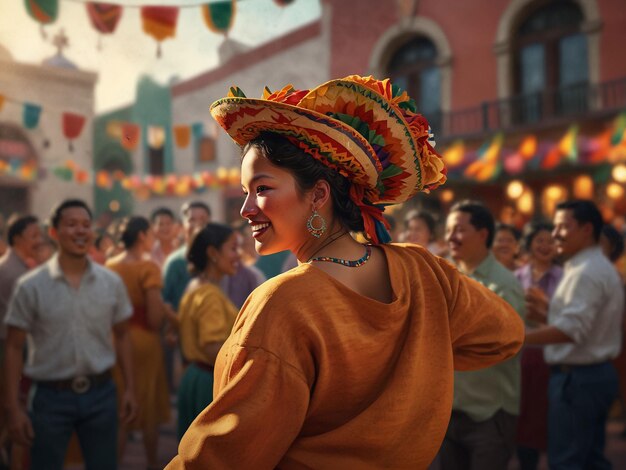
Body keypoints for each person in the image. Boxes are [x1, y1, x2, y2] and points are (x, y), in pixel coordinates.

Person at [166, 75, 524, 468]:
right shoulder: (423, 270)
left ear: (319, 194)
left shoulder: (283, 304)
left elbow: (219, 459)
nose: (245, 209)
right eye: (246, 192)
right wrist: (421, 361)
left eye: (263, 189)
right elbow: (505, 333)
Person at [3, 199, 137, 470]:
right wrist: (12, 408)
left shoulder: (111, 283)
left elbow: (123, 336)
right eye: (71, 224)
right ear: (53, 233)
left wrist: (131, 388)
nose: (80, 231)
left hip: (101, 393)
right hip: (49, 398)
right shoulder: (31, 286)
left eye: (86, 225)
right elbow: (14, 347)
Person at [525, 200, 624, 470]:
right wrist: (547, 313)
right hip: (588, 378)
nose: (554, 234)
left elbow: (571, 330)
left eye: (562, 227)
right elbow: (584, 326)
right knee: (590, 460)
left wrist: (516, 337)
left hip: (578, 380)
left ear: (586, 229)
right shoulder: (589, 266)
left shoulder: (586, 272)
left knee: (568, 462)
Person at [441, 200, 526, 470]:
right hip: (451, 412)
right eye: (448, 230)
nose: (450, 238)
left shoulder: (502, 285)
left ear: (483, 234)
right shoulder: (447, 277)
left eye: (458, 230)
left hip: (489, 413)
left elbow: (505, 345)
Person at [106, 216, 174, 469]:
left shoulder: (110, 265)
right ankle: (151, 464)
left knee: (121, 403)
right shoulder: (148, 267)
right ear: (142, 236)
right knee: (147, 409)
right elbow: (155, 318)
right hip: (143, 339)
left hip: (115, 339)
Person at [176, 223, 240, 439]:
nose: (237, 255)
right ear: (213, 253)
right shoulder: (210, 296)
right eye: (232, 248)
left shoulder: (195, 285)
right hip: (207, 381)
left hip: (194, 377)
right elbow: (212, 347)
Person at [514, 221, 563, 470]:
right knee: (525, 423)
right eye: (539, 240)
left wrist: (546, 307)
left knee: (555, 422)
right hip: (522, 357)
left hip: (555, 357)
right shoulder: (517, 277)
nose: (545, 246)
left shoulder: (565, 277)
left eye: (550, 241)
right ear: (530, 243)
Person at [0, 215, 42, 468]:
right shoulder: (14, 273)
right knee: (14, 414)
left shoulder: (15, 267)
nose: (38, 241)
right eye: (33, 236)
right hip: (10, 350)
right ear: (17, 239)